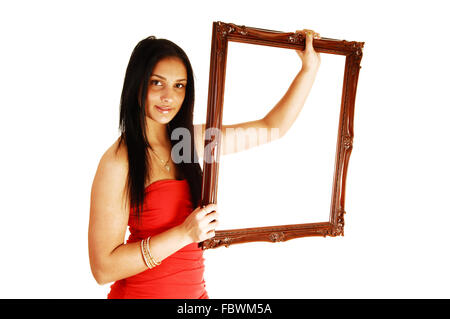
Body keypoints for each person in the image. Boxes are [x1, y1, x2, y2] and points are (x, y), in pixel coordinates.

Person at [88, 29, 321, 299]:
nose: (169, 97)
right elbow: (103, 269)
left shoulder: (187, 142)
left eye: (179, 85)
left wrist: (309, 70)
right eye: (157, 83)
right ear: (137, 85)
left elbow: (272, 128)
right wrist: (185, 233)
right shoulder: (118, 161)